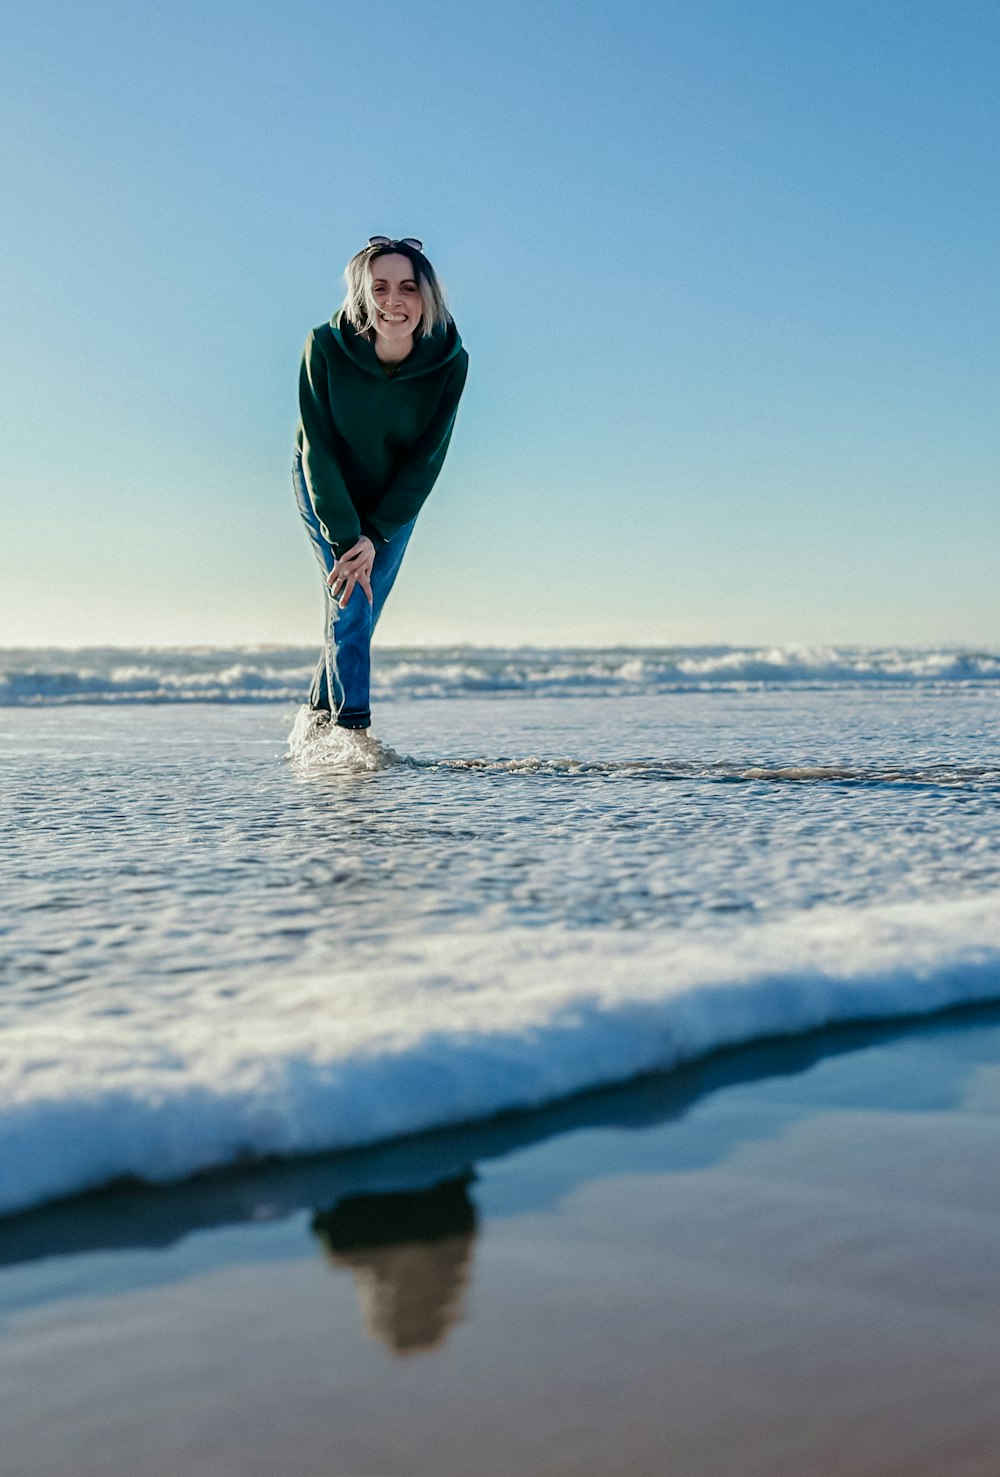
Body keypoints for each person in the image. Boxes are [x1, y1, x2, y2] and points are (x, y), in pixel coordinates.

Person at [292, 236, 469, 737]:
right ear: (362, 295)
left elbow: (427, 456)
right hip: (325, 482)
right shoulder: (323, 347)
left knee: (358, 614)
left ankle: (316, 724)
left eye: (408, 287)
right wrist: (349, 537)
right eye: (381, 287)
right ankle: (352, 735)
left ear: (427, 295)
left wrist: (379, 531)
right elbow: (318, 449)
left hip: (396, 494)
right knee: (353, 600)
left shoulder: (451, 362)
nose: (395, 301)